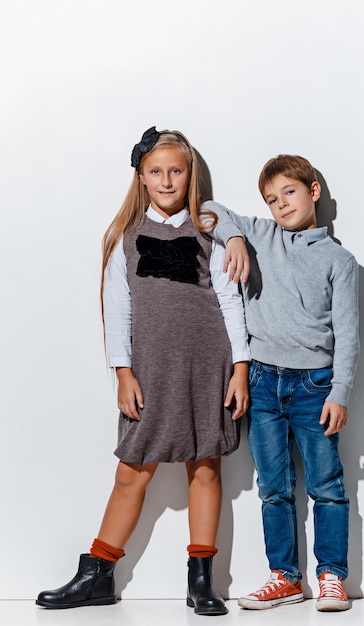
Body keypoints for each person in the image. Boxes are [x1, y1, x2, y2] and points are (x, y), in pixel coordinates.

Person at [36, 126, 250, 616]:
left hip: (207, 368)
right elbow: (117, 309)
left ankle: (202, 580)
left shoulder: (211, 229)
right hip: (151, 372)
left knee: (206, 468)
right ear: (142, 176)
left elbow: (231, 303)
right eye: (156, 171)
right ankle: (98, 573)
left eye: (176, 170)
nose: (168, 180)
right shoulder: (125, 238)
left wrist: (239, 369)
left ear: (189, 174)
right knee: (131, 472)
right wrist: (123, 374)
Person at [207, 154, 359, 612]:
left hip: (315, 386)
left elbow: (348, 333)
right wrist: (234, 235)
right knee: (272, 486)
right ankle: (285, 577)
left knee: (326, 485)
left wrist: (341, 392)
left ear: (313, 191)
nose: (280, 205)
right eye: (271, 200)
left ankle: (332, 576)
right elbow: (207, 209)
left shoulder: (339, 260)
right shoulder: (261, 234)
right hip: (263, 382)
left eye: (288, 193)